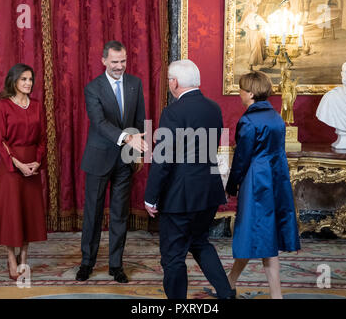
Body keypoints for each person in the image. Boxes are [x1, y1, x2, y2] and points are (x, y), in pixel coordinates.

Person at [144, 59, 235, 299]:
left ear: (174, 82)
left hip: (180, 196)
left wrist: (150, 197)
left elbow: (164, 160)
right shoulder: (213, 108)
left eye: (169, 80)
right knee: (200, 242)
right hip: (208, 191)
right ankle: (226, 293)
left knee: (173, 257)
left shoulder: (172, 112)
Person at [76, 40, 148, 283]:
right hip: (98, 158)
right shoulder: (93, 88)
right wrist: (127, 138)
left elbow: (139, 121)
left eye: (123, 61)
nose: (120, 66)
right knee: (93, 214)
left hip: (124, 160)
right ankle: (87, 262)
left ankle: (116, 265)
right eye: (115, 62)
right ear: (104, 61)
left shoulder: (135, 84)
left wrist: (137, 150)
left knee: (119, 214)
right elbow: (99, 123)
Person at [225, 71, 301, 299]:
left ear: (249, 92)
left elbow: (242, 158)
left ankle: (272, 294)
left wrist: (231, 186)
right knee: (263, 234)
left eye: (241, 89)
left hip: (256, 182)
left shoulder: (249, 120)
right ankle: (230, 283)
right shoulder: (277, 118)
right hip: (276, 180)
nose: (239, 93)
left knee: (254, 233)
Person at [0, 63, 47, 280]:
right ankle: (10, 257)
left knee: (28, 214)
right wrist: (17, 164)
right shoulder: (3, 106)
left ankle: (24, 257)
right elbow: (0, 141)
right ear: (14, 81)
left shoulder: (36, 105)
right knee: (12, 214)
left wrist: (37, 161)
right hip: (11, 168)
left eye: (30, 79)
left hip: (32, 167)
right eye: (23, 79)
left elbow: (42, 138)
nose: (28, 83)